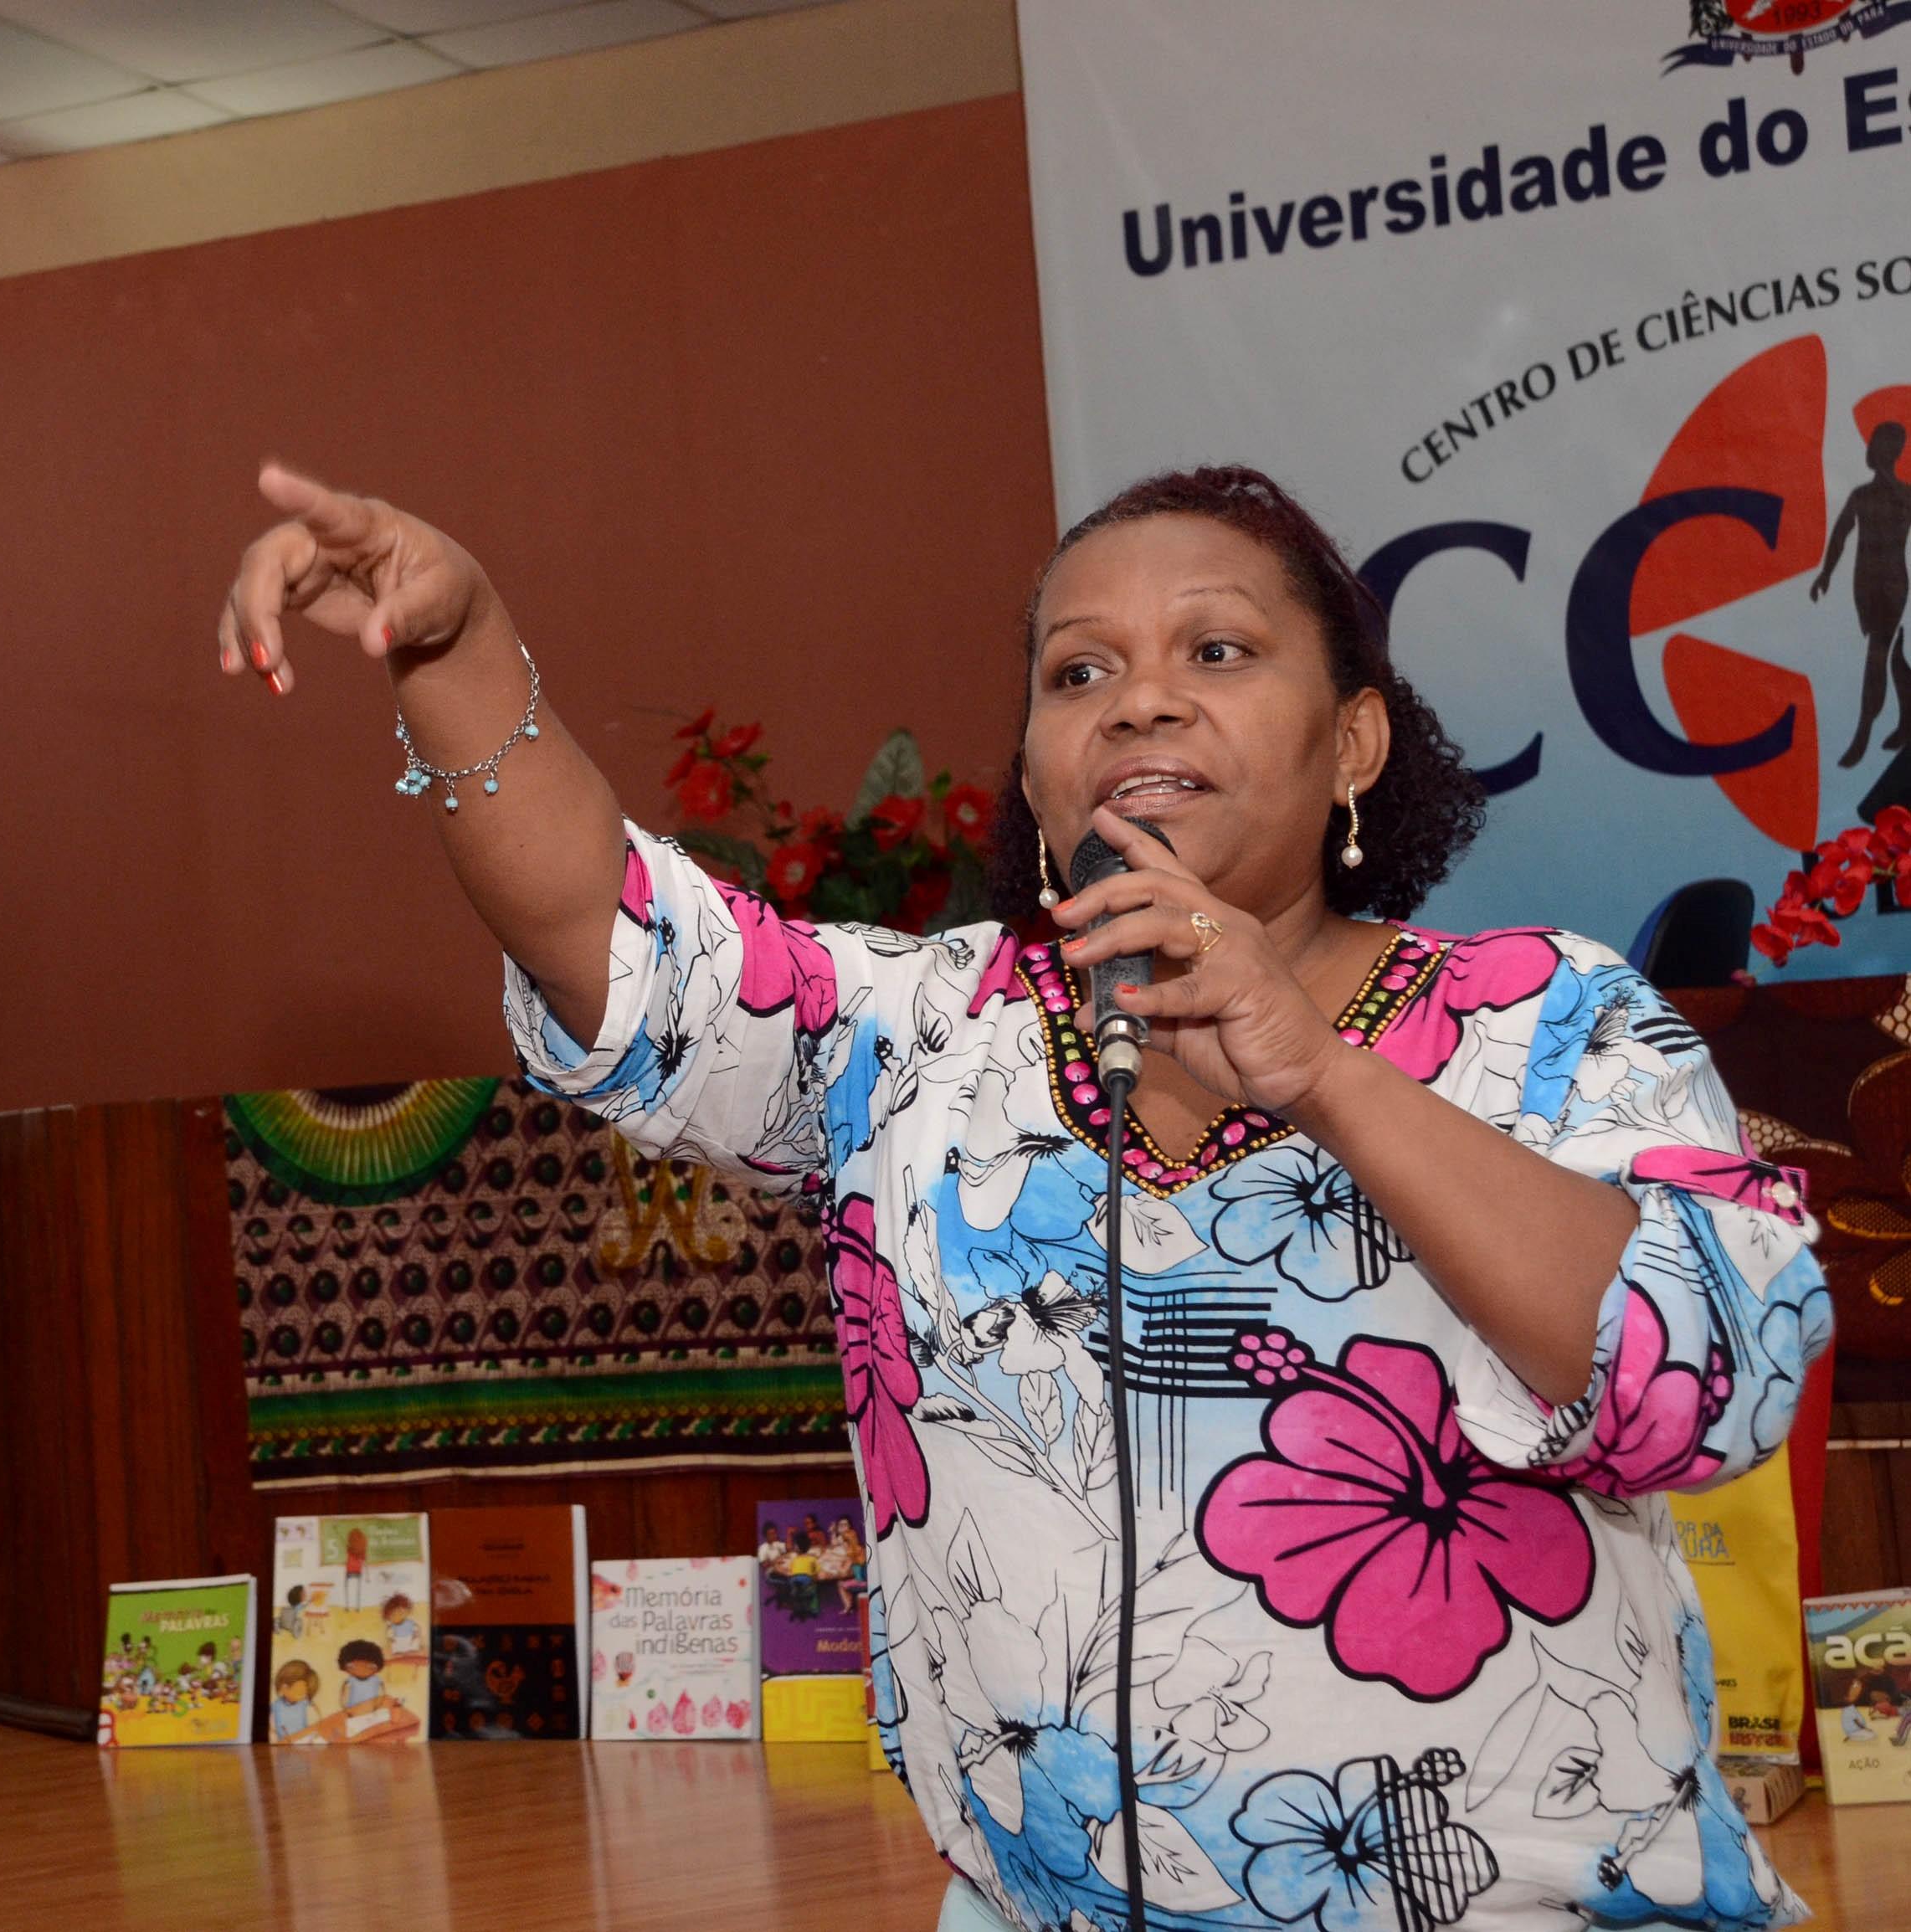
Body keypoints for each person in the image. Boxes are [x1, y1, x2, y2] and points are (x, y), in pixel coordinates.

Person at [218, 461, 1828, 1932]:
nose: (1137, 702)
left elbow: (1706, 1373)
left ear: (1353, 739)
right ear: (1035, 770)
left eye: (1215, 652)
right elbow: (619, 950)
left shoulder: (1543, 1023)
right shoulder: (921, 1037)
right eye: (1078, 672)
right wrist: (460, 651)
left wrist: (1322, 1072)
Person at [1814, 419, 1911, 768]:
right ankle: (1904, 721)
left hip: (1893, 583)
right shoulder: (1862, 495)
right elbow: (1840, 534)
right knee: (1886, 652)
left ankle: (1863, 731)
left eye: (1886, 444)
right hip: (1866, 585)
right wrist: (1825, 574)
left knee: (1878, 653)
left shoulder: (1906, 494)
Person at [270, 1659, 321, 1741]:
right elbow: (272, 1731)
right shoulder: (276, 1707)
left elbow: (316, 1729)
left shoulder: (307, 1707)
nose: (285, 1687)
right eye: (285, 1685)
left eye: (300, 1689)